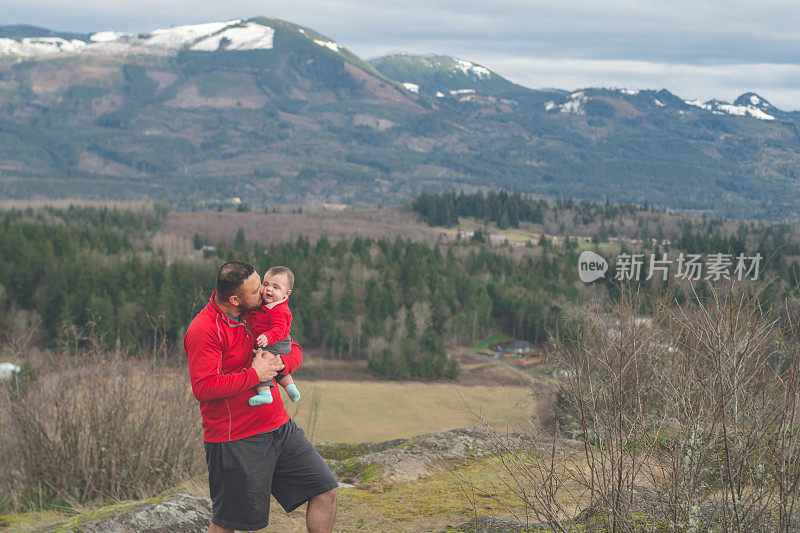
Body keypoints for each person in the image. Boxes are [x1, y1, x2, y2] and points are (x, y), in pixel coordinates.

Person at [184, 261, 338, 533]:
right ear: (235, 299)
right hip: (235, 440)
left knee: (325, 490)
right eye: (258, 289)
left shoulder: (256, 313)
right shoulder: (203, 329)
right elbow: (204, 388)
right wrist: (255, 375)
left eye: (265, 285)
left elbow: (294, 347)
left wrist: (283, 363)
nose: (265, 292)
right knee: (227, 522)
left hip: (279, 427)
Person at [247, 265, 301, 405]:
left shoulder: (279, 310)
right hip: (280, 344)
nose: (269, 289)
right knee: (279, 371)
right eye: (266, 284)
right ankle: (290, 388)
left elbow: (279, 329)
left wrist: (267, 337)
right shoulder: (269, 305)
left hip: (275, 343)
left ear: (287, 294)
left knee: (260, 363)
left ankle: (265, 393)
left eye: (276, 287)